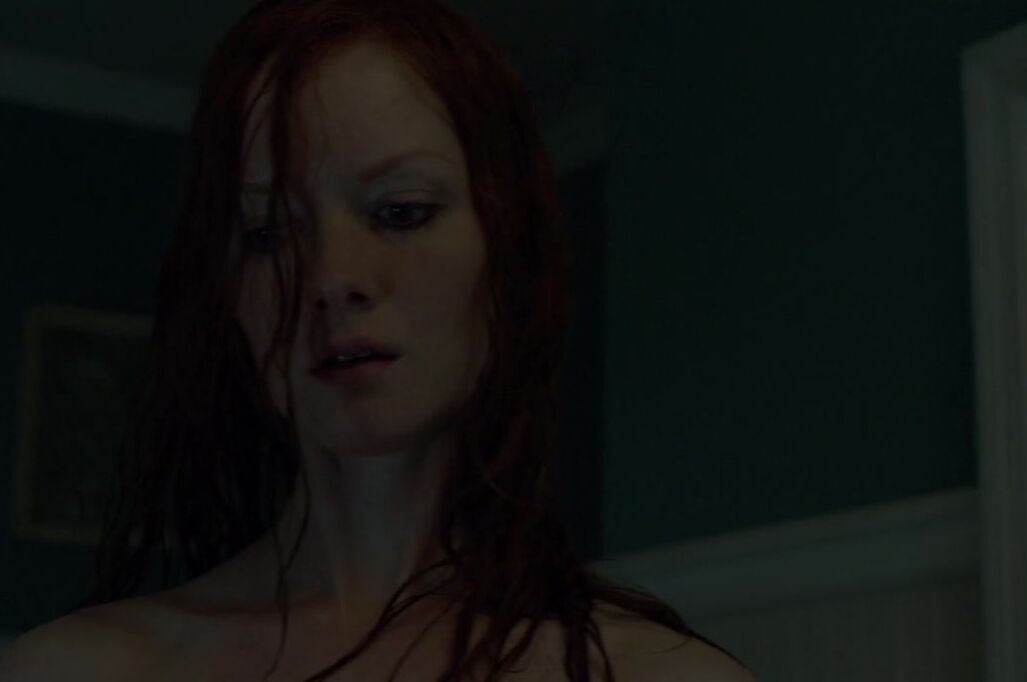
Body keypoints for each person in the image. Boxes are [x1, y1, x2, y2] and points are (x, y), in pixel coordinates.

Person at [0, 0, 757, 679]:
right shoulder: (76, 668)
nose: (331, 277)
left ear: (506, 253)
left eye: (401, 212)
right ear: (231, 302)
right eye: (268, 235)